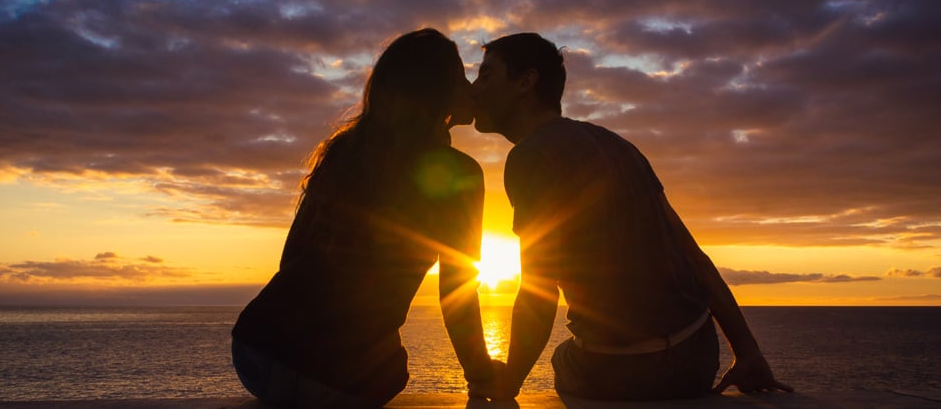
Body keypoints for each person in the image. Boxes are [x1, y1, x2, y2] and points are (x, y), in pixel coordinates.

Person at [468, 33, 793, 401]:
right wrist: (747, 352)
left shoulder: (530, 156)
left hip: (620, 370)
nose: (474, 90)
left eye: (486, 75)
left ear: (526, 82)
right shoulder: (618, 144)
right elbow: (694, 257)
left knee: (563, 358)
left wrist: (507, 387)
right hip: (695, 360)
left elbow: (538, 293)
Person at [231, 28, 498, 407]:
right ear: (435, 91)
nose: (471, 87)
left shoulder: (344, 150)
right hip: (333, 377)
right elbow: (457, 291)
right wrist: (481, 376)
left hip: (253, 351)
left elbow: (291, 256)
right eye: (460, 77)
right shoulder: (460, 172)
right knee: (393, 369)